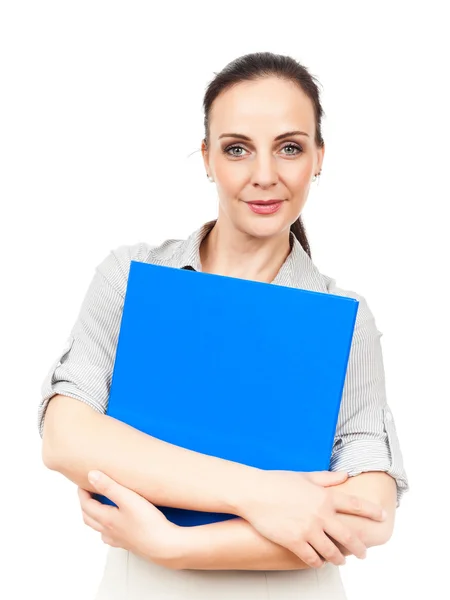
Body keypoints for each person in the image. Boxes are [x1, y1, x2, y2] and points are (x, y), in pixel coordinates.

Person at [38, 52, 409, 599]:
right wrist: (261, 496)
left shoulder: (341, 317)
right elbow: (66, 437)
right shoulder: (133, 278)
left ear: (318, 158)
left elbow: (367, 514)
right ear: (207, 157)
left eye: (289, 147)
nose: (264, 176)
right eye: (238, 149)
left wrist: (175, 545)